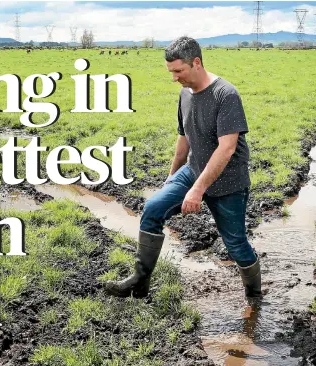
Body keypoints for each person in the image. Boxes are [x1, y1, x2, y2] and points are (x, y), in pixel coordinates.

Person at [105, 36, 261, 300]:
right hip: (193, 170)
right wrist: (172, 178)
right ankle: (139, 283)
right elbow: (184, 137)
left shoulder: (226, 94)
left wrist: (197, 190)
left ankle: (254, 295)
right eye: (171, 72)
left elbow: (227, 148)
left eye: (179, 71)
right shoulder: (185, 94)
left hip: (228, 183)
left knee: (235, 244)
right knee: (153, 209)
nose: (174, 78)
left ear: (196, 63)